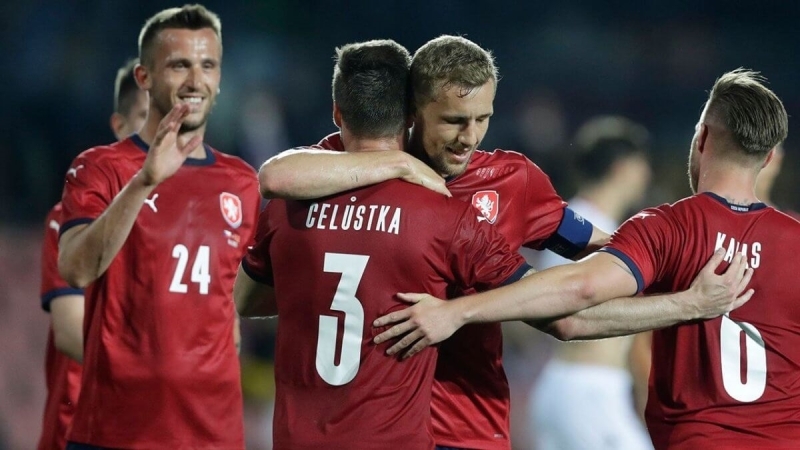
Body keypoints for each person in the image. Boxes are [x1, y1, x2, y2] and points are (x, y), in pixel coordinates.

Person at [374, 69, 797, 448]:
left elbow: (578, 295)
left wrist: (456, 312)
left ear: (701, 138)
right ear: (767, 158)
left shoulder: (668, 230)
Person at [258, 35, 609, 449]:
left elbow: (595, 245)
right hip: (382, 428)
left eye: (483, 119)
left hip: (466, 425)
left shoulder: (511, 181)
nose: (470, 137)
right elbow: (277, 175)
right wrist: (399, 163)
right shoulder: (352, 167)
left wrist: (662, 261)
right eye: (454, 120)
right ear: (412, 111)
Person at [58, 5, 260, 449]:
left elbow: (234, 302)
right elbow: (75, 269)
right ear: (144, 77)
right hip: (115, 431)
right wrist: (145, 181)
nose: (195, 80)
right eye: (179, 65)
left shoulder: (242, 182)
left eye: (208, 65)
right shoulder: (101, 168)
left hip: (212, 434)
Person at [37, 58, 148, 450]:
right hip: (80, 427)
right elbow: (70, 332)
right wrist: (157, 371)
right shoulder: (69, 220)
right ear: (118, 127)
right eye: (146, 118)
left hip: (158, 428)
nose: (161, 135)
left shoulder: (192, 220)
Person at [530, 116, 654, 450]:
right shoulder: (586, 231)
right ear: (623, 167)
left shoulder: (575, 223)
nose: (646, 174)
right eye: (642, 164)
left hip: (567, 386)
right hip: (589, 390)